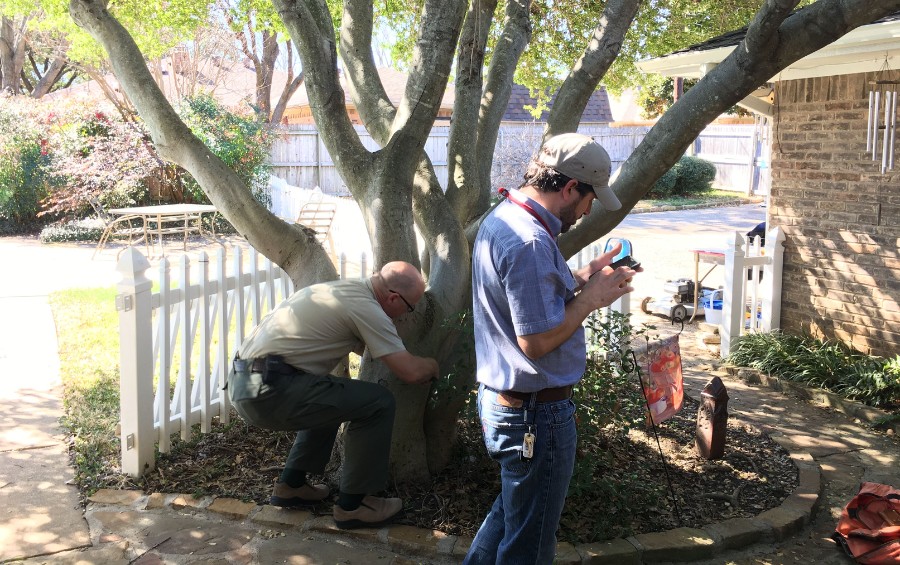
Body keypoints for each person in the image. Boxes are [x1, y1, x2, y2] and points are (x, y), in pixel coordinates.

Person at [465, 133, 639, 564]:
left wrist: (589, 274)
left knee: (511, 517)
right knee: (530, 544)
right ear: (568, 189)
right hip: (535, 416)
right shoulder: (530, 242)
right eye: (589, 199)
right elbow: (537, 341)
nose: (588, 210)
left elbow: (533, 296)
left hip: (508, 404)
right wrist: (592, 299)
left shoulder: (506, 218)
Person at [228, 261, 439, 529]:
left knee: (333, 395)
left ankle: (291, 485)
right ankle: (355, 505)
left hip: (243, 382)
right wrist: (434, 365)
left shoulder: (342, 290)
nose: (406, 315)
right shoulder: (366, 307)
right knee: (378, 402)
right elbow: (409, 372)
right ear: (393, 297)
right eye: (410, 307)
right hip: (269, 392)